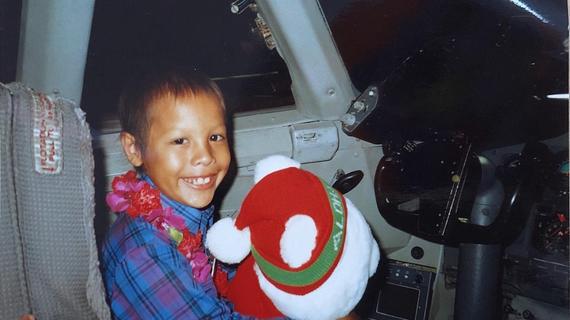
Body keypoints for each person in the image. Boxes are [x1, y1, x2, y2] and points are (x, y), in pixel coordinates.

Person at [100, 68, 253, 319]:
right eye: (180, 141)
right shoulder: (146, 252)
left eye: (215, 137)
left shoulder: (186, 210)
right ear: (134, 149)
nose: (205, 156)